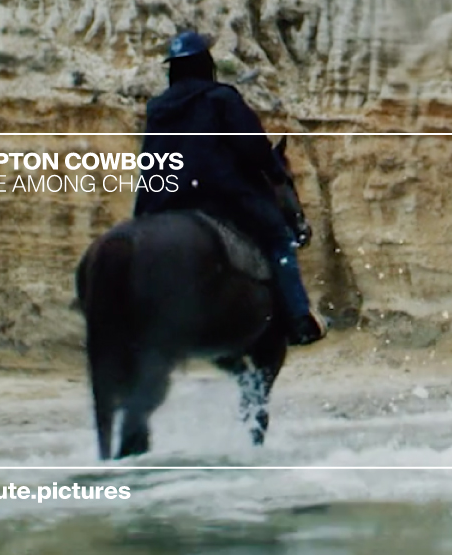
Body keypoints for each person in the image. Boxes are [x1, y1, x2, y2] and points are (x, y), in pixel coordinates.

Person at [134, 31, 324, 346]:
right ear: (205, 64)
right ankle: (299, 319)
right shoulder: (222, 98)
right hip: (221, 197)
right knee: (278, 240)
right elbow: (254, 148)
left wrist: (142, 213)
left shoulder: (157, 108)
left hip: (165, 201)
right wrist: (273, 171)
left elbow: (151, 162)